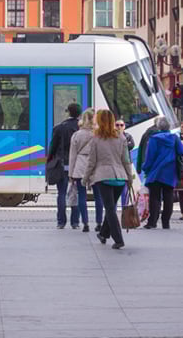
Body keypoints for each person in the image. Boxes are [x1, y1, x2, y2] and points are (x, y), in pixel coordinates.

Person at [83, 109, 135, 250]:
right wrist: (129, 177)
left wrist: (85, 178)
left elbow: (91, 162)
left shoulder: (96, 139)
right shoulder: (121, 138)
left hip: (103, 177)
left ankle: (118, 239)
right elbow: (126, 160)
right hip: (120, 177)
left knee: (110, 208)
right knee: (111, 207)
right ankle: (103, 233)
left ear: (99, 121)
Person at [142, 117, 183, 229]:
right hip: (170, 172)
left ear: (158, 127)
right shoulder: (174, 138)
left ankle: (152, 222)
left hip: (156, 172)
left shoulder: (154, 139)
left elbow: (149, 157)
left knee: (155, 197)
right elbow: (182, 151)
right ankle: (166, 222)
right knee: (168, 196)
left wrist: (145, 168)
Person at [47, 103, 83, 229]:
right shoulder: (81, 129)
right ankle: (75, 222)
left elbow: (52, 148)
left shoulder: (59, 128)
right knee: (76, 193)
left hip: (62, 164)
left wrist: (49, 161)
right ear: (79, 114)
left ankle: (61, 222)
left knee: (61, 193)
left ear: (68, 112)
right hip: (77, 165)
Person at [68, 108, 98, 233]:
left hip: (80, 166)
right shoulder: (97, 134)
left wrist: (71, 173)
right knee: (99, 196)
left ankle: (85, 223)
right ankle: (99, 222)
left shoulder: (77, 135)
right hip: (95, 167)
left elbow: (72, 155)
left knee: (81, 195)